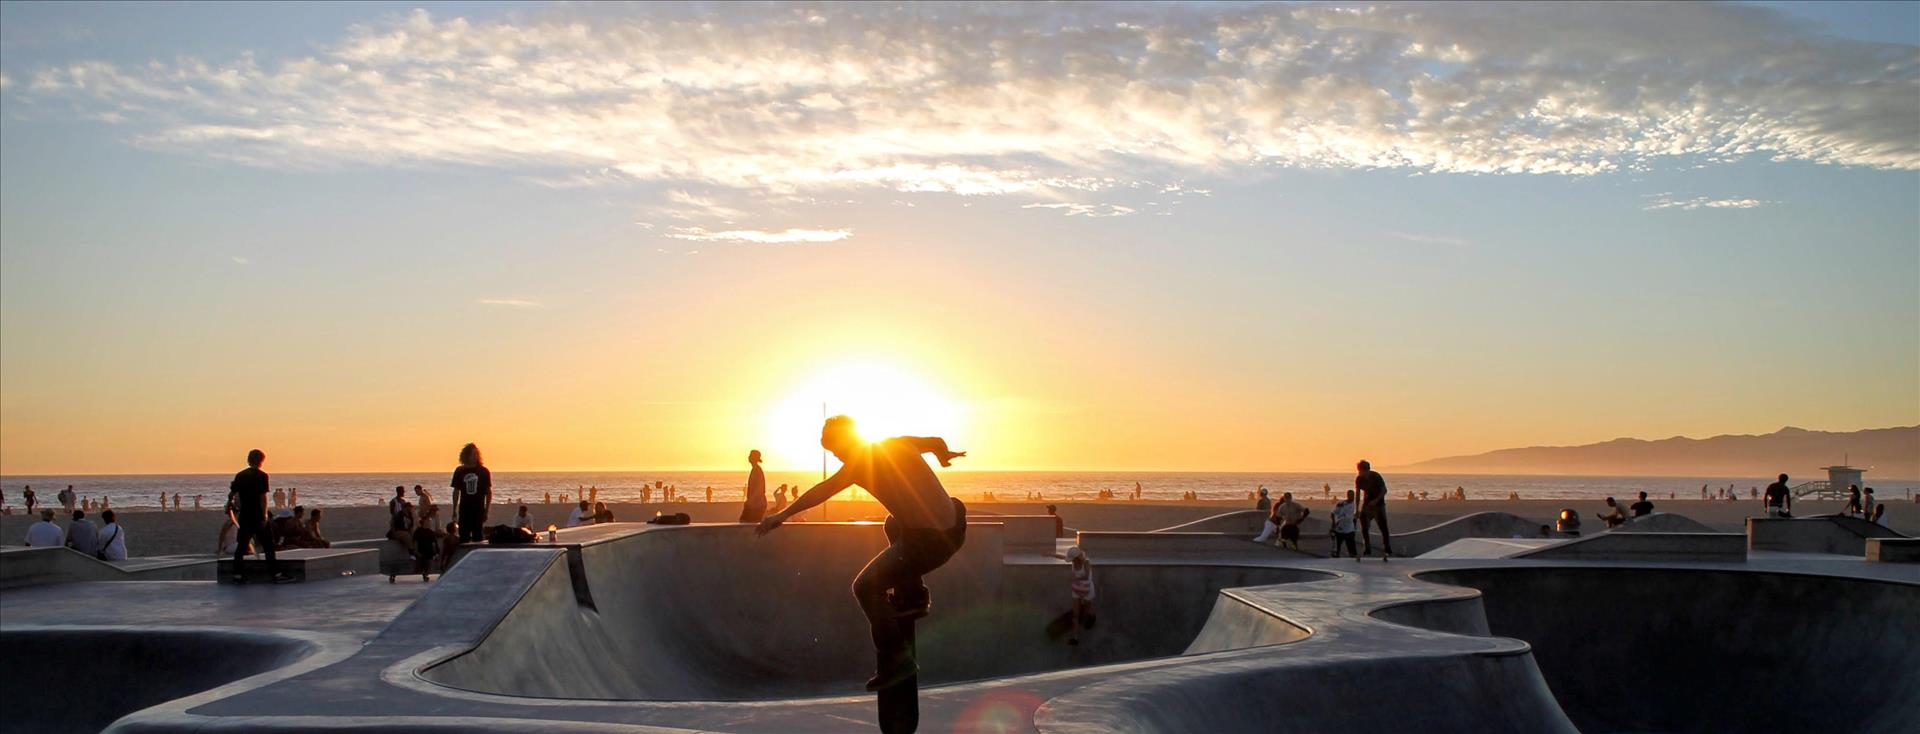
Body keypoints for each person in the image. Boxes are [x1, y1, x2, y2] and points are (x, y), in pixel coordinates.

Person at [756, 415, 967, 691]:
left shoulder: (857, 464)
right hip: (956, 525)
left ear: (847, 443)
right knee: (893, 522)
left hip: (929, 545)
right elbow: (936, 442)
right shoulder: (898, 443)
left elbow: (822, 490)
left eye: (837, 451)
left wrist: (782, 515)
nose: (839, 458)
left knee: (865, 587)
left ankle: (896, 661)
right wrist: (943, 456)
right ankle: (914, 593)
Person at [230, 450, 291, 583]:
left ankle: (237, 575)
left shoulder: (240, 475)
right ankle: (276, 574)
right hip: (257, 515)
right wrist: (264, 515)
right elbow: (263, 497)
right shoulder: (262, 475)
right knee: (268, 545)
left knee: (241, 546)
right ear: (261, 461)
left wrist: (239, 509)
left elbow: (234, 495)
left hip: (245, 515)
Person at [450, 443, 492, 544]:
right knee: (464, 536)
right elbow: (456, 491)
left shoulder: (483, 471)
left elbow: (488, 492)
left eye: (476, 454)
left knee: (477, 535)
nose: (475, 456)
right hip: (464, 508)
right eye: (473, 454)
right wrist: (454, 509)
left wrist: (487, 510)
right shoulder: (460, 471)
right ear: (466, 455)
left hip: (478, 509)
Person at [1355, 460, 1393, 560]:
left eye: (1362, 471)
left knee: (1383, 527)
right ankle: (1367, 548)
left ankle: (1387, 548)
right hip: (1367, 504)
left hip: (1378, 504)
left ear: (1367, 470)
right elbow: (1358, 494)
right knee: (1364, 526)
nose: (1360, 473)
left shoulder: (1376, 476)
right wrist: (1357, 509)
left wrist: (1376, 501)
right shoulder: (1359, 479)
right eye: (1359, 471)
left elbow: (1384, 491)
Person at [1065, 545, 1096, 645]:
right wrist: (1050, 554)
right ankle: (1075, 638)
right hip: (1076, 589)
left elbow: (1086, 576)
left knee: (1087, 609)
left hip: (1087, 589)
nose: (1072, 562)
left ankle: (1091, 616)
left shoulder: (1086, 562)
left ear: (1077, 557)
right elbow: (1061, 557)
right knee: (1075, 614)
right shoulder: (1073, 562)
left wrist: (1074, 579)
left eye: (1073, 559)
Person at [414, 504, 443, 581]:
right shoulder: (419, 530)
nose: (435, 512)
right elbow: (416, 541)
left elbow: (437, 530)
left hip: (430, 548)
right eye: (434, 510)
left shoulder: (436, 519)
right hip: (423, 549)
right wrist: (416, 551)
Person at [741, 449, 769, 523]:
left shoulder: (757, 470)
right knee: (745, 522)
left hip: (757, 505)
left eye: (750, 455)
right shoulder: (755, 469)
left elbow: (760, 489)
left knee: (746, 523)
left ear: (754, 458)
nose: (748, 457)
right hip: (754, 504)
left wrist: (750, 501)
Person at [1330, 490, 1359, 559]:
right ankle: (1336, 557)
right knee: (1337, 548)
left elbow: (1355, 515)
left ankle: (1353, 559)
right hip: (1340, 528)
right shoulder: (1341, 504)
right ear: (1347, 495)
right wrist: (1333, 523)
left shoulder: (1355, 504)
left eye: (1353, 495)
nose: (1352, 497)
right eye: (1350, 495)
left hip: (1350, 529)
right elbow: (1332, 513)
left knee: (1352, 549)